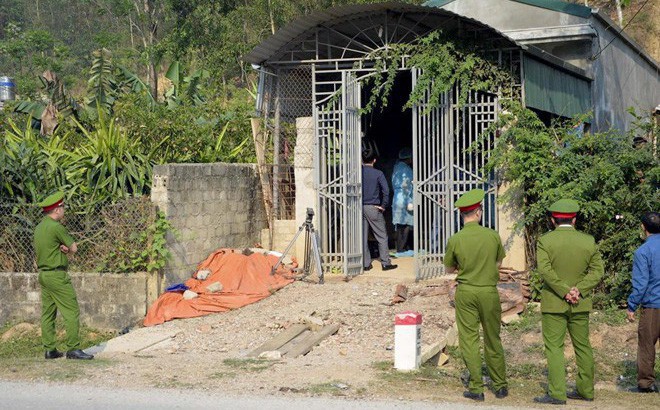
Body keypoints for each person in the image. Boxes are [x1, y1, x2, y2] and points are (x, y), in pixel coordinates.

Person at [534, 199, 603, 405]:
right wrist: (578, 290)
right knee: (582, 346)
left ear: (553, 220)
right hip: (580, 303)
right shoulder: (588, 241)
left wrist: (564, 291)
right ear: (574, 219)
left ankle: (557, 393)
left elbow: (545, 271)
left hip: (554, 302)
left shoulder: (545, 241)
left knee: (554, 347)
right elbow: (598, 271)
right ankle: (586, 390)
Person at [444, 188, 508, 401]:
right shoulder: (493, 236)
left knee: (469, 339)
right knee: (493, 337)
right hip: (489, 292)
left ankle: (476, 387)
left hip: (467, 291)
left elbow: (449, 270)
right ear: (479, 212)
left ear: (462, 215)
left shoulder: (455, 239)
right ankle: (500, 386)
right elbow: (499, 263)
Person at [34, 192, 93, 360]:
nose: (64, 209)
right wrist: (68, 249)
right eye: (63, 207)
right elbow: (73, 248)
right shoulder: (56, 227)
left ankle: (50, 350)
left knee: (48, 313)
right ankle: (73, 349)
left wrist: (61, 249)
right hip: (57, 275)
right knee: (71, 311)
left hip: (44, 275)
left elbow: (47, 249)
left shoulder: (39, 228)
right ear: (57, 209)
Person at [626, 211, 660, 393]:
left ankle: (646, 383)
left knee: (647, 345)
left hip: (653, 306)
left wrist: (632, 305)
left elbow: (641, 284)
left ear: (643, 227)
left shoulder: (643, 251)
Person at [362, 151, 397, 272]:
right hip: (373, 207)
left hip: (359, 207)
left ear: (361, 160)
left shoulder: (357, 173)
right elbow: (386, 191)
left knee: (362, 236)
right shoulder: (378, 173)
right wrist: (383, 205)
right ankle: (385, 263)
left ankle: (366, 264)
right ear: (374, 160)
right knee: (381, 236)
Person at [391, 147, 414, 254]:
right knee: (406, 224)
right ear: (409, 158)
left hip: (396, 198)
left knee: (399, 224)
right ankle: (402, 248)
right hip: (405, 198)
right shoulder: (407, 170)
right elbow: (409, 186)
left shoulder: (396, 168)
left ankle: (400, 247)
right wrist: (411, 200)